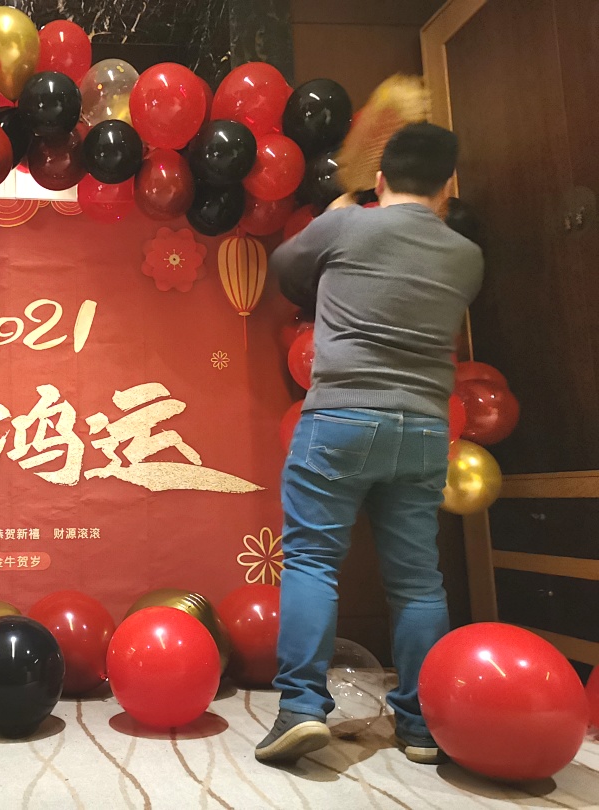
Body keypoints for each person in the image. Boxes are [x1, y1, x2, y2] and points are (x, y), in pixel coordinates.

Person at [255, 123, 484, 765]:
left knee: (311, 562)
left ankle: (301, 708)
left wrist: (334, 213)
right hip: (424, 430)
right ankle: (420, 725)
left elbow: (287, 272)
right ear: (445, 190)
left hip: (341, 418)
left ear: (380, 180)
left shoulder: (347, 226)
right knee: (417, 582)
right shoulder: (466, 255)